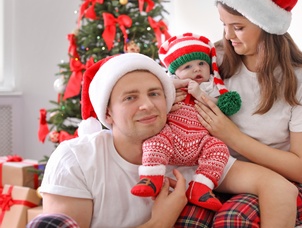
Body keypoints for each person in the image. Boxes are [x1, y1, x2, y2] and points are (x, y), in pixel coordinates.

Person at [182, 0, 302, 226]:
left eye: (238, 27)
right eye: (224, 25)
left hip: (284, 180)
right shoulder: (213, 62)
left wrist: (231, 135)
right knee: (187, 220)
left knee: (233, 220)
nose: (227, 36)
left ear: (266, 25)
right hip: (220, 173)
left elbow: (301, 168)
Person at [31, 53, 226, 227]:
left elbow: (257, 179)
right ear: (108, 114)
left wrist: (229, 133)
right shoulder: (75, 159)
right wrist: (160, 221)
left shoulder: (192, 148)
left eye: (154, 94)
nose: (147, 105)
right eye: (130, 98)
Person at [130, 33, 242, 212]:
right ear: (175, 72)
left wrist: (200, 95)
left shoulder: (210, 87)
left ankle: (201, 187)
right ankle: (151, 177)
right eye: (188, 66)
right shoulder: (170, 85)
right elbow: (157, 99)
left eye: (201, 64)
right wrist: (174, 86)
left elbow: (221, 107)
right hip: (172, 137)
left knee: (219, 149)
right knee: (155, 141)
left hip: (200, 142)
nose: (197, 69)